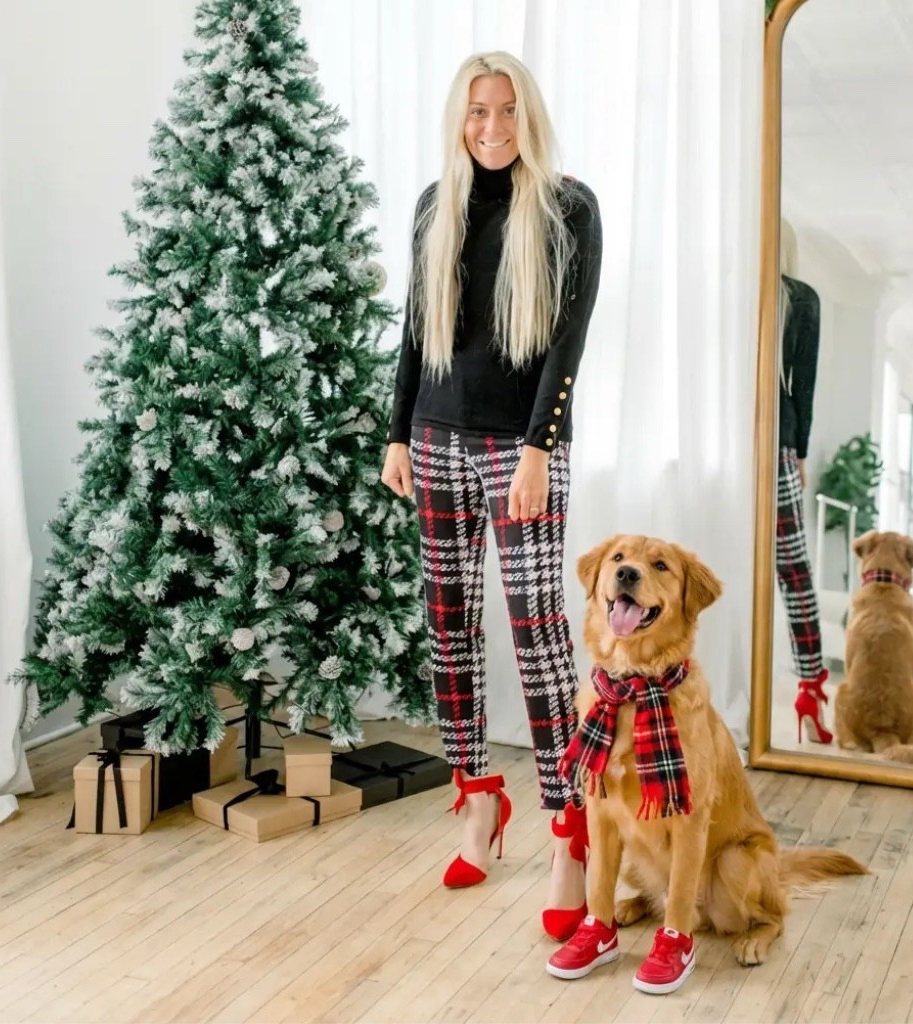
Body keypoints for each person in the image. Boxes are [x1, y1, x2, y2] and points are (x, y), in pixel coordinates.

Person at [380, 51, 602, 942]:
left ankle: (568, 828)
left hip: (521, 448)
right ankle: (476, 796)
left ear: (529, 113)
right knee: (450, 624)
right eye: (478, 111)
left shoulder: (568, 206)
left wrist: (541, 449)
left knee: (540, 633)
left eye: (508, 110)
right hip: (434, 436)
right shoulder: (437, 205)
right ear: (460, 117)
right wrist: (397, 432)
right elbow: (412, 327)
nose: (493, 127)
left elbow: (569, 337)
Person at [776, 270, 831, 743]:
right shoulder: (800, 296)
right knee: (794, 573)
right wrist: (801, 451)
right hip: (778, 440)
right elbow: (803, 385)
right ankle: (810, 691)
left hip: (722, 440)